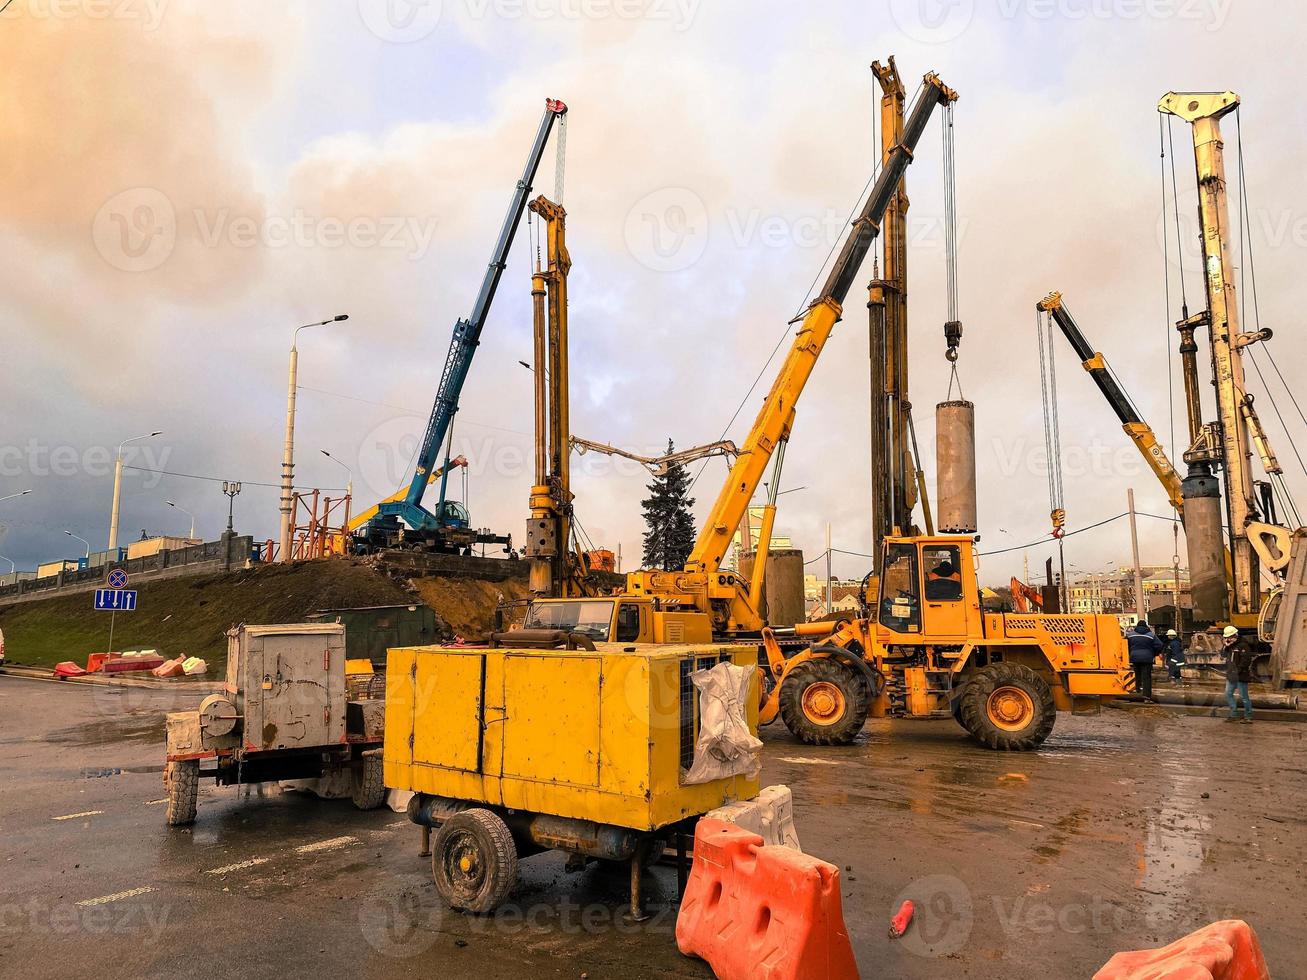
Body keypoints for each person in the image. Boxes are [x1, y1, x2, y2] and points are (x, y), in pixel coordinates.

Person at [1222, 625, 1255, 724]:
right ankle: (1234, 714)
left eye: (1229, 637)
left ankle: (1248, 716)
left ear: (1235, 635)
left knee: (1244, 697)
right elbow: (1223, 655)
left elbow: (1246, 661)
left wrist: (1237, 671)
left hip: (1240, 675)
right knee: (1228, 694)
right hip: (1231, 675)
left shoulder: (1243, 645)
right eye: (1226, 637)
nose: (1228, 639)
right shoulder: (1230, 646)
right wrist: (1225, 646)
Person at [1127, 621, 1162, 702]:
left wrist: (1131, 652)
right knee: (1146, 677)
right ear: (1146, 626)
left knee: (1137, 674)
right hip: (1147, 658)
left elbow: (1124, 645)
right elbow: (1159, 645)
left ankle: (1137, 691)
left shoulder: (1130, 635)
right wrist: (1154, 653)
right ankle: (1146, 697)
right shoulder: (1151, 635)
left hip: (1134, 658)